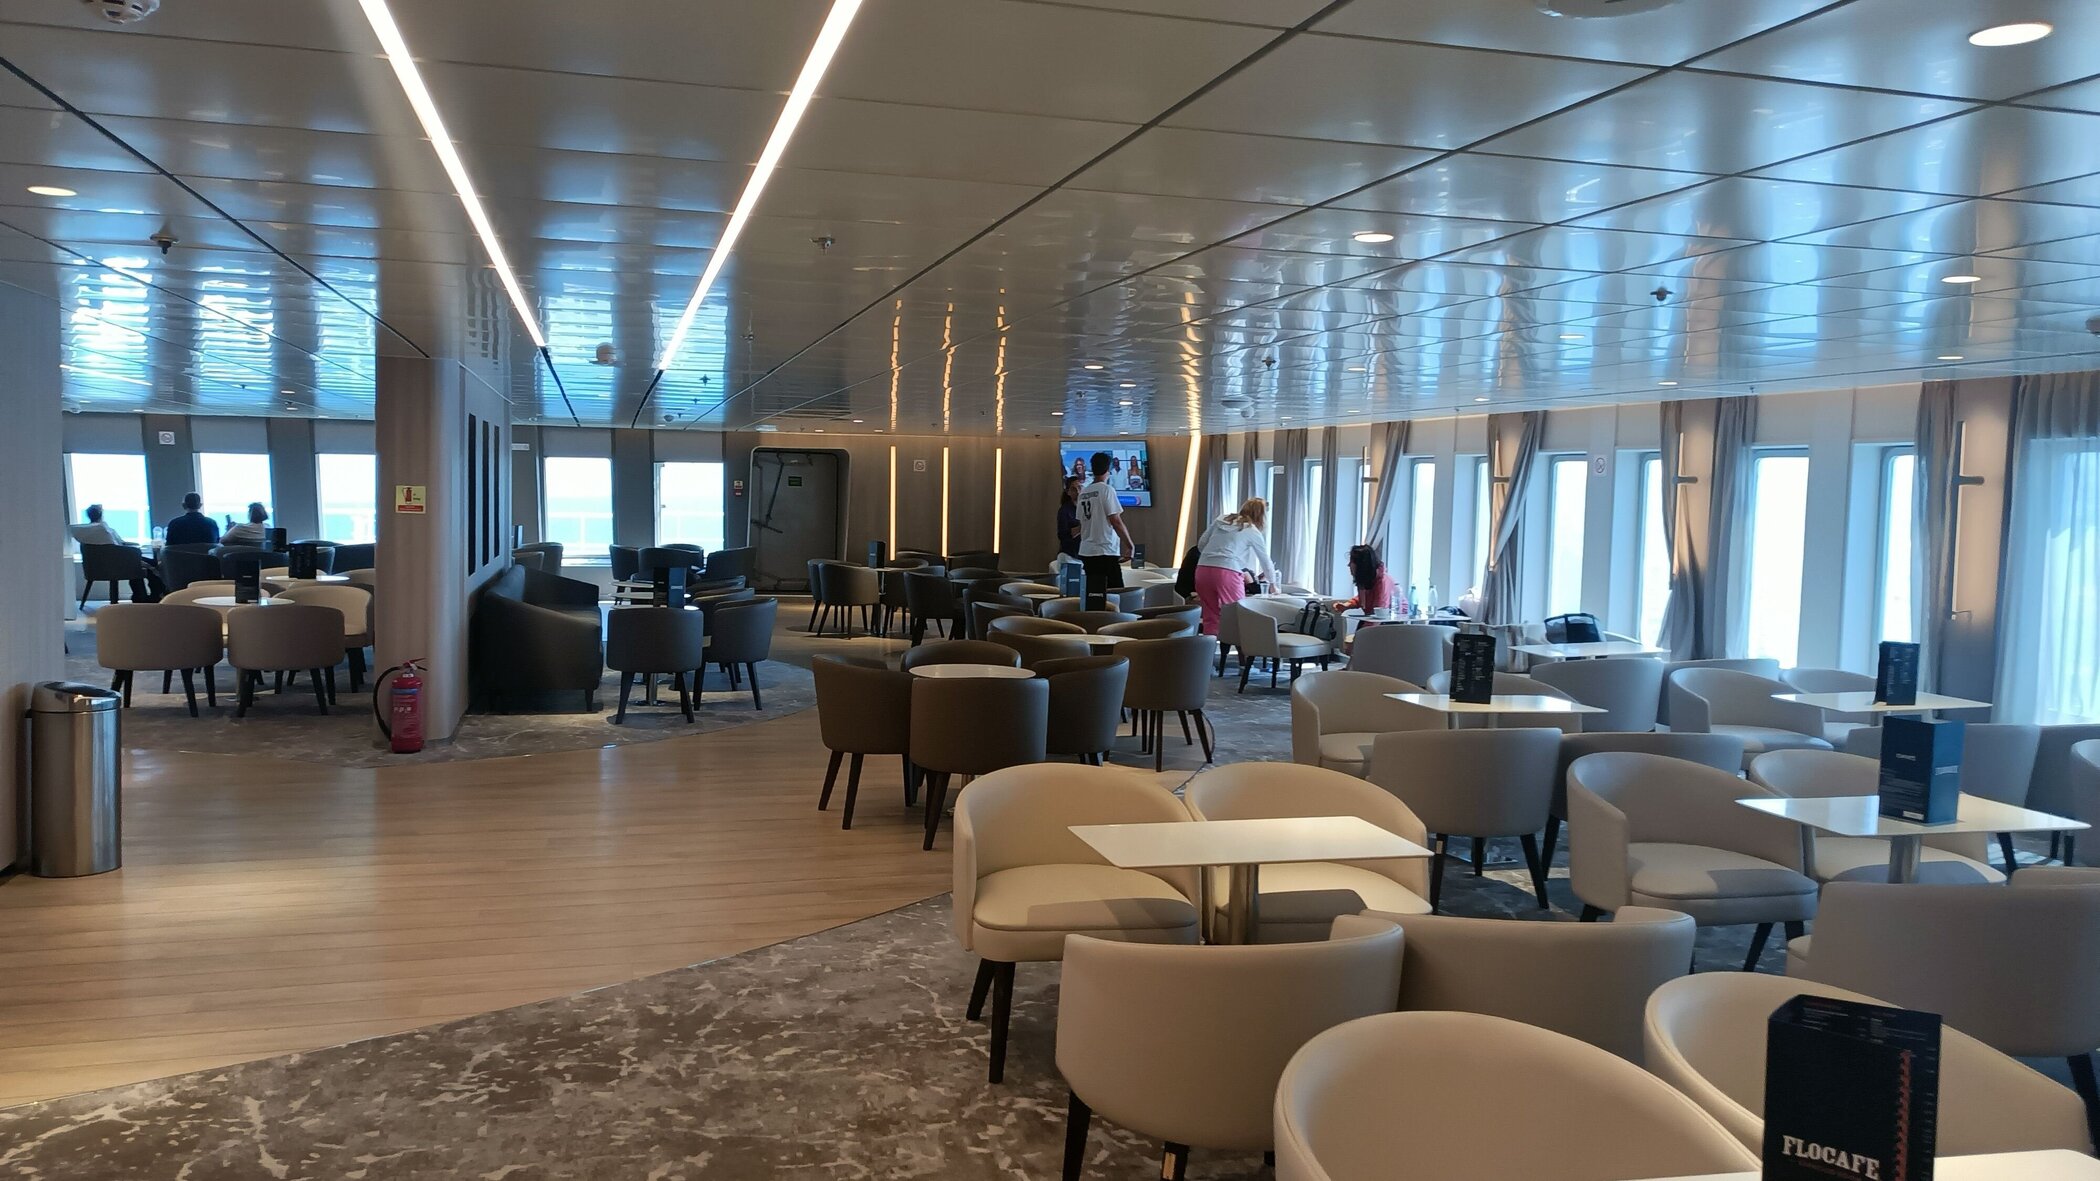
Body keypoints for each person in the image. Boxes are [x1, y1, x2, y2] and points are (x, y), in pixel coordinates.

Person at [1190, 497, 1280, 636]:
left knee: (1210, 615)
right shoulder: (1252, 531)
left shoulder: (1221, 520)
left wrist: (1212, 557)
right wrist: (1273, 584)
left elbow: (1202, 544)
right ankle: (1240, 648)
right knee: (1238, 614)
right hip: (1227, 571)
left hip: (1203, 569)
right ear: (1261, 516)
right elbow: (1265, 560)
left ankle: (1210, 647)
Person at [1075, 451, 1133, 610]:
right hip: (1105, 549)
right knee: (1116, 594)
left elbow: (1082, 521)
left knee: (1094, 595)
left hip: (1087, 551)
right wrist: (1129, 544)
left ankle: (1094, 620)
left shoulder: (1084, 492)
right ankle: (1115, 621)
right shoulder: (1107, 490)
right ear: (1108, 469)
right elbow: (1116, 520)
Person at [1331, 544, 1402, 616]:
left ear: (1360, 564)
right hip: (1374, 617)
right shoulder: (1365, 579)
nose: (1348, 565)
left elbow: (1379, 614)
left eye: (1351, 562)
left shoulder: (1383, 582)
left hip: (1392, 620)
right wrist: (1346, 605)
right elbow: (1363, 599)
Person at [1056, 476, 1082, 560]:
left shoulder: (1086, 508)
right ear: (1068, 492)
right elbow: (1062, 535)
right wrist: (1082, 527)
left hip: (1085, 553)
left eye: (1079, 487)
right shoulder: (1064, 511)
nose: (1078, 491)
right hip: (1070, 555)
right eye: (1074, 489)